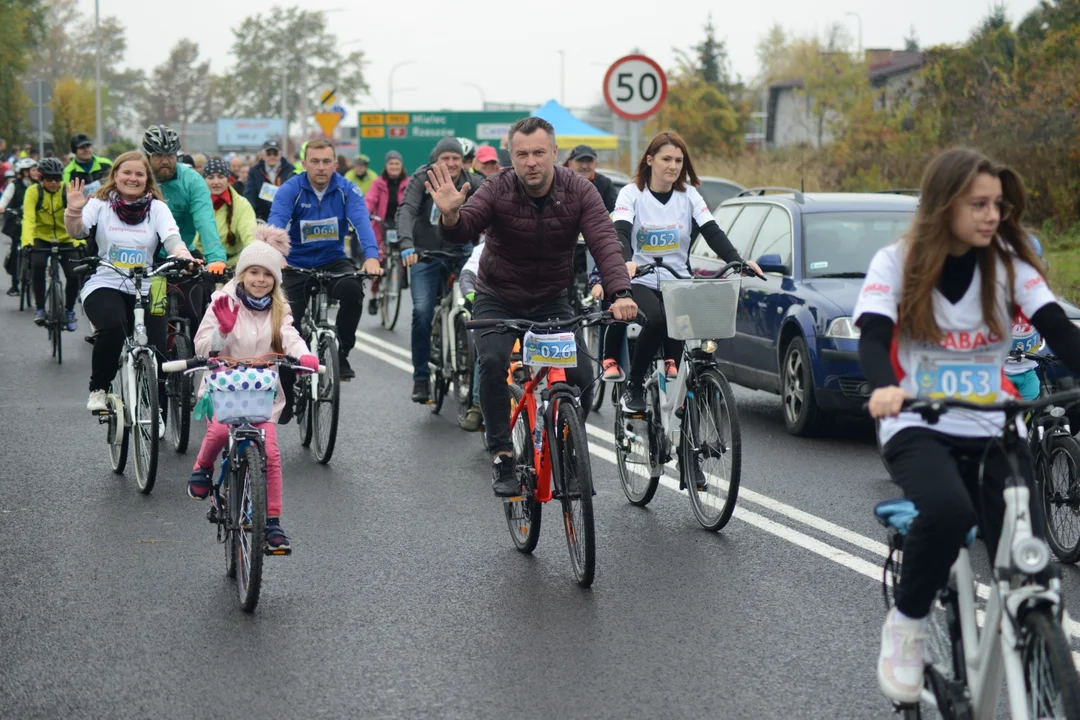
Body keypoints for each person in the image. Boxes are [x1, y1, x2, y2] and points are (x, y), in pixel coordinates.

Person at [855, 147, 1080, 705]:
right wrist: (884, 384)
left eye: (998, 205)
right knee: (951, 512)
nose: (991, 215)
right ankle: (905, 629)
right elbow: (874, 335)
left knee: (1025, 552)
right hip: (917, 422)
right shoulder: (898, 262)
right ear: (944, 204)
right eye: (978, 204)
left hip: (992, 425)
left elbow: (1060, 331)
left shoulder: (1011, 268)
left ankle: (1036, 640)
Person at [427, 116, 637, 495]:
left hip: (551, 299)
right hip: (498, 295)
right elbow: (466, 225)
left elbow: (605, 241)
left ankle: (568, 444)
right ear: (512, 156)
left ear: (556, 154)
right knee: (491, 362)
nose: (531, 162)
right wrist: (451, 214)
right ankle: (502, 455)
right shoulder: (497, 187)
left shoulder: (578, 191)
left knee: (583, 378)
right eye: (522, 154)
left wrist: (621, 293)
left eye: (539, 153)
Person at [599, 132, 758, 410]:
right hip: (641, 278)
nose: (672, 166)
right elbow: (620, 232)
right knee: (659, 320)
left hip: (678, 280)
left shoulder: (689, 195)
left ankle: (691, 401)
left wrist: (738, 260)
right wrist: (626, 261)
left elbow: (712, 231)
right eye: (666, 159)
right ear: (650, 160)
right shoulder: (631, 193)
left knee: (695, 327)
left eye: (678, 160)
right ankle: (634, 385)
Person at [188, 226, 317, 552]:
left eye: (267, 275)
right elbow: (202, 345)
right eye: (253, 272)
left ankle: (271, 522)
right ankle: (203, 468)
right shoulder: (222, 301)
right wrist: (222, 332)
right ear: (241, 274)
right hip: (225, 388)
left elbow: (289, 335)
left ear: (276, 280)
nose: (260, 279)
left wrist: (303, 355)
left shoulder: (279, 308)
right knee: (218, 431)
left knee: (271, 455)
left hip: (261, 391)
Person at [63, 151, 196, 413]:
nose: (132, 178)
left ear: (147, 179)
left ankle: (157, 407)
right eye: (126, 172)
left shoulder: (157, 208)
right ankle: (99, 389)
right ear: (115, 175)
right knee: (113, 326)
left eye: (139, 174)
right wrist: (74, 210)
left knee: (158, 346)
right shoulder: (99, 203)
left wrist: (184, 256)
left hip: (147, 284)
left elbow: (172, 239)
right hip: (105, 282)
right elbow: (77, 231)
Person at [266, 139, 381, 416]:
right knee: (285, 322)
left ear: (335, 164)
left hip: (333, 259)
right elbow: (276, 222)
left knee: (354, 288)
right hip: (295, 263)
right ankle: (287, 389)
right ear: (304, 163)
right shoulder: (290, 190)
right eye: (314, 161)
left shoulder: (346, 190)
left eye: (326, 161)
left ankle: (341, 354)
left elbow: (362, 223)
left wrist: (372, 256)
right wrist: (276, 253)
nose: (320, 167)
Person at [398, 137, 483, 403]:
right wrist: (406, 245)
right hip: (425, 254)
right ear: (436, 160)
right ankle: (421, 378)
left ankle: (477, 378)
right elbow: (407, 210)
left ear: (463, 161)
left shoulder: (474, 182)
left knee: (480, 311)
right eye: (445, 158)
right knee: (422, 313)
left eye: (456, 158)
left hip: (464, 253)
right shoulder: (421, 179)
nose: (451, 163)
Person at [142, 125, 226, 334]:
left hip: (183, 254)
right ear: (147, 156)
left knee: (194, 311)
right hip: (148, 258)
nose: (165, 160)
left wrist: (216, 257)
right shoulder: (140, 179)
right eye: (159, 155)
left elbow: (205, 221)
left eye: (170, 155)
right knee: (156, 314)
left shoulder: (192, 181)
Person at [20, 157, 84, 329]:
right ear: (41, 178)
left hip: (66, 237)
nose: (54, 182)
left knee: (73, 274)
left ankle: (69, 311)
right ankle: (40, 308)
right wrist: (27, 243)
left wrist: (81, 241)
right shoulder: (34, 192)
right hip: (41, 238)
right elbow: (28, 219)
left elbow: (79, 216)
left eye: (57, 178)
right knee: (38, 266)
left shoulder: (67, 191)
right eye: (49, 179)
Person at [363, 151, 409, 314]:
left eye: (397, 164)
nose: (394, 167)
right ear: (386, 166)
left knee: (406, 251)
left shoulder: (408, 183)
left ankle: (403, 275)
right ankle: (374, 295)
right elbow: (370, 199)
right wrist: (365, 213)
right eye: (391, 164)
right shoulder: (378, 183)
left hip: (400, 225)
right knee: (379, 260)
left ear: (401, 165)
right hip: (382, 224)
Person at [195, 158, 256, 267]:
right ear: (203, 180)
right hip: (201, 265)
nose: (216, 182)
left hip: (232, 266)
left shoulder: (242, 205)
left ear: (228, 179)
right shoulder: (196, 204)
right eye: (210, 177)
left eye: (221, 177)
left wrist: (254, 256)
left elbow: (250, 235)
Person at [1, 158, 37, 296]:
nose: (35, 173)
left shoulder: (39, 185)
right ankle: (15, 284)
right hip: (17, 221)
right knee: (16, 250)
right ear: (25, 172)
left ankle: (35, 278)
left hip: (34, 223)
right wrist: (2, 207)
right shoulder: (14, 185)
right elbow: (5, 199)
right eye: (32, 170)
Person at [244, 140, 296, 222]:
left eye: (275, 153)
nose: (272, 156)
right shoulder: (254, 171)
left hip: (286, 217)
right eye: (268, 153)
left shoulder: (291, 170)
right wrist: (254, 216)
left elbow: (294, 194)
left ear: (280, 154)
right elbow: (250, 194)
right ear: (262, 155)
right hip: (262, 218)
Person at [565, 145, 617, 212]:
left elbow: (614, 212)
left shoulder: (605, 184)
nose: (584, 166)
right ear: (570, 164)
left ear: (596, 164)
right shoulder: (560, 183)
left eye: (589, 161)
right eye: (580, 161)